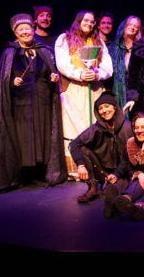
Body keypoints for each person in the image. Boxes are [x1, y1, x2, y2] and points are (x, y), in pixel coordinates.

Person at [0, 14, 66, 193]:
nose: (25, 32)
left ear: (33, 29)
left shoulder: (43, 50)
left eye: (27, 28)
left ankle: (41, 173)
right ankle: (25, 175)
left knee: (42, 137)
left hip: (42, 102)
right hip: (21, 104)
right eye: (20, 29)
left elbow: (48, 73)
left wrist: (52, 77)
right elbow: (2, 80)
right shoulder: (10, 53)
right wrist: (11, 82)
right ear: (15, 33)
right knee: (24, 140)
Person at [55, 10, 113, 178]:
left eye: (92, 21)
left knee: (94, 126)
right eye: (86, 20)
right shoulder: (64, 39)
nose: (89, 23)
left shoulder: (98, 41)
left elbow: (107, 66)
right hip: (73, 89)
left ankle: (97, 167)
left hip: (94, 89)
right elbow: (62, 63)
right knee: (74, 126)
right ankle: (76, 169)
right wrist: (80, 74)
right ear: (78, 21)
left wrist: (97, 74)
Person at [103, 112, 144, 220]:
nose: (139, 131)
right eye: (136, 127)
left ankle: (125, 199)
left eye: (143, 127)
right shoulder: (131, 143)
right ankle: (130, 206)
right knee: (114, 182)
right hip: (139, 178)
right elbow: (126, 163)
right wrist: (115, 174)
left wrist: (143, 151)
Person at [69, 91, 133, 203]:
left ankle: (116, 197)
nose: (104, 111)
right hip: (103, 171)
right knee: (84, 149)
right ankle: (93, 187)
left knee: (113, 189)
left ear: (114, 107)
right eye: (100, 108)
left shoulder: (127, 127)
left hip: (123, 171)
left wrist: (117, 173)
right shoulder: (97, 128)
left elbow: (129, 156)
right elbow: (74, 144)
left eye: (107, 106)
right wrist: (80, 164)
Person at [107, 15, 142, 110]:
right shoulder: (113, 47)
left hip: (137, 92)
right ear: (124, 26)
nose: (132, 27)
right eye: (130, 24)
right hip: (116, 91)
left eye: (136, 26)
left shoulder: (141, 48)